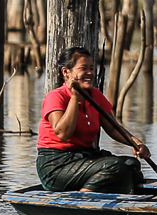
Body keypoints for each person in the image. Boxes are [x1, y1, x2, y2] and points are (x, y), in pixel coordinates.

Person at [36, 47, 151, 193]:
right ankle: (83, 199)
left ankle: (102, 193)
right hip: (56, 165)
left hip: (85, 158)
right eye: (84, 68)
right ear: (66, 72)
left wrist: (136, 143)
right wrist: (75, 97)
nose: (90, 73)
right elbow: (63, 133)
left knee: (131, 164)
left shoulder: (94, 95)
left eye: (92, 68)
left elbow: (113, 128)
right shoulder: (56, 97)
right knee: (113, 166)